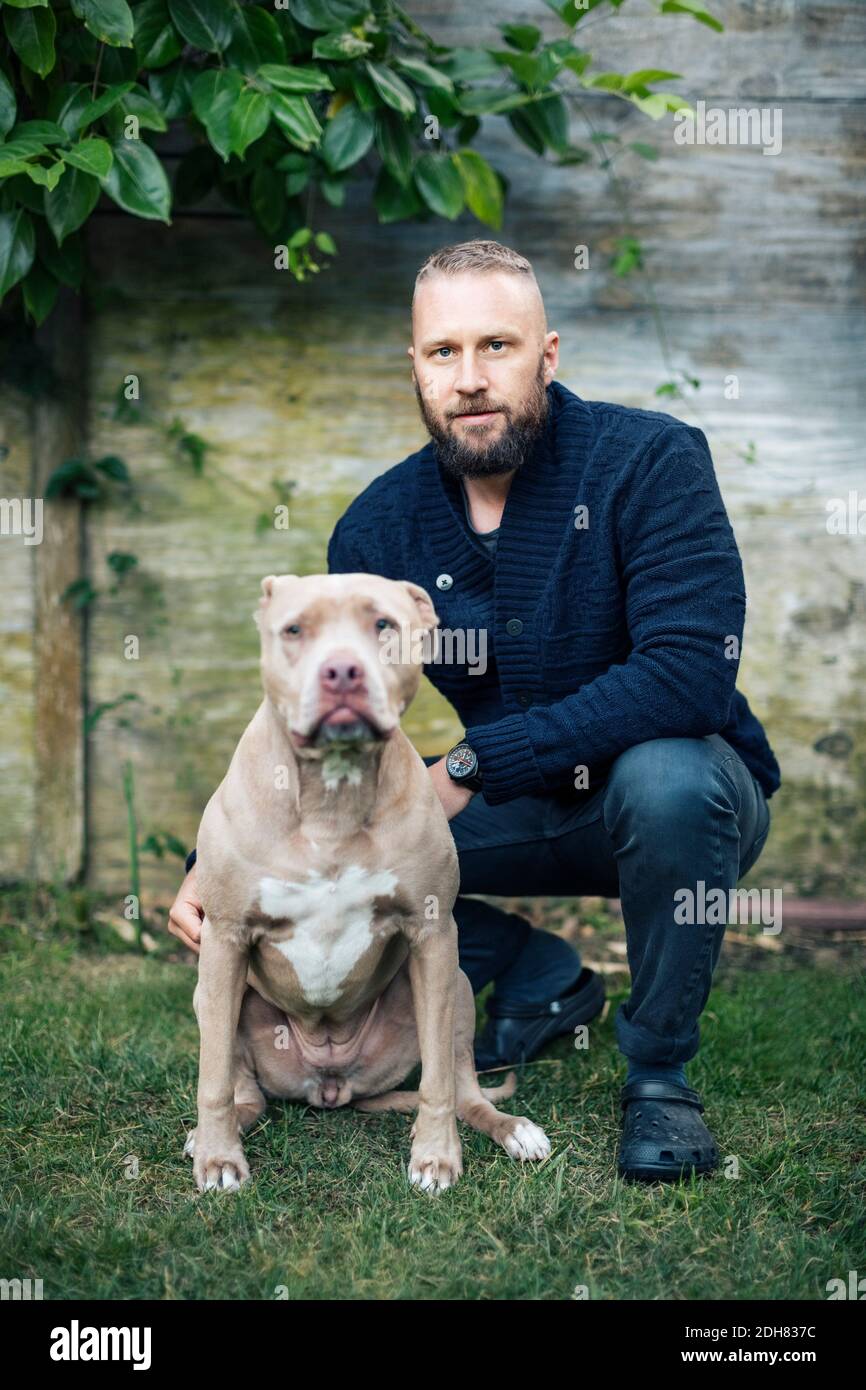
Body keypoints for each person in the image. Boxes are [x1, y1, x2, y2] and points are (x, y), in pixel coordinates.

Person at [169, 239, 779, 1182]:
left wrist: (468, 766)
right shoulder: (381, 524)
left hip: (674, 795)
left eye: (497, 345)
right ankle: (540, 976)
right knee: (347, 862)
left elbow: (690, 673)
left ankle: (659, 1077)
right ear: (415, 367)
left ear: (548, 354)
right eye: (443, 353)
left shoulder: (650, 461)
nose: (470, 379)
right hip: (516, 797)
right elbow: (332, 708)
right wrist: (211, 864)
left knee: (668, 780)